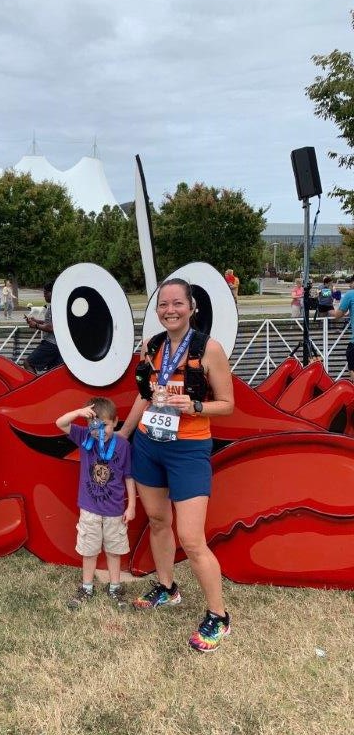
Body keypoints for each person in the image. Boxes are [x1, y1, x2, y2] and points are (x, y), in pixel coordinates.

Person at [119, 278, 234, 652]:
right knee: (156, 520)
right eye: (163, 305)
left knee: (191, 537)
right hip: (150, 445)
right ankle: (168, 588)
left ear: (192, 307)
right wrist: (123, 434)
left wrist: (196, 406)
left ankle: (219, 616)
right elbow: (144, 397)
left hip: (189, 449)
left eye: (177, 303)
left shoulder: (209, 349)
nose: (170, 310)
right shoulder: (153, 347)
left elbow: (228, 404)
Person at [56, 397, 136, 609]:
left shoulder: (122, 445)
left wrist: (132, 506)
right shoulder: (84, 437)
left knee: (113, 550)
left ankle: (115, 587)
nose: (100, 430)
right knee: (89, 550)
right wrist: (79, 412)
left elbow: (128, 476)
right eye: (95, 424)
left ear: (116, 422)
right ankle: (87, 586)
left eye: (105, 425)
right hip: (89, 509)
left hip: (115, 510)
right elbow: (60, 423)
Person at [22, 281, 63, 373]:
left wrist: (35, 325)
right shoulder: (59, 306)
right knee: (52, 373)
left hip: (51, 344)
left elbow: (51, 328)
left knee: (28, 363)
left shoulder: (54, 307)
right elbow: (53, 323)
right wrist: (37, 321)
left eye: (45, 293)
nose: (44, 296)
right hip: (58, 345)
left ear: (53, 293)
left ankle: (35, 387)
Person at [329, 275, 354, 380]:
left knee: (352, 366)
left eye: (351, 282)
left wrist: (328, 310)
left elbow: (338, 315)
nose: (349, 285)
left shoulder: (350, 295)